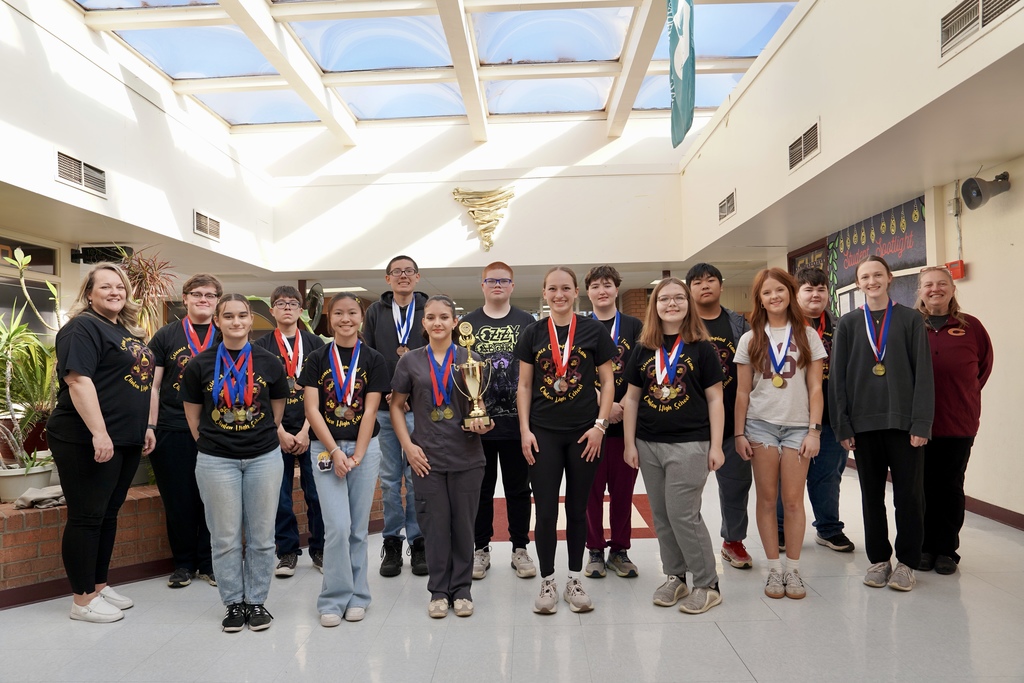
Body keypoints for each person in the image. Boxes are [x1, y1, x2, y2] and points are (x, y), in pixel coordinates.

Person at [46, 263, 156, 623]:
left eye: (120, 286)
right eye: (105, 286)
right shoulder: (82, 327)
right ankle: (82, 600)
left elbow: (138, 383)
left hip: (124, 437)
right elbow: (78, 380)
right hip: (85, 437)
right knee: (87, 517)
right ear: (89, 294)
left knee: (107, 514)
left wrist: (146, 426)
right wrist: (99, 432)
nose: (115, 292)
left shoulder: (124, 330)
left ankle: (98, 585)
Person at [180, 294, 290, 631]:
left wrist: (256, 437)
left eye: (242, 315)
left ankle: (256, 601)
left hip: (263, 458)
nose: (236, 322)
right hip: (216, 461)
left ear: (251, 319)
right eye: (228, 316)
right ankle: (233, 603)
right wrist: (215, 444)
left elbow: (277, 409)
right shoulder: (199, 364)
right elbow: (193, 417)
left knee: (262, 536)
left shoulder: (269, 362)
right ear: (217, 321)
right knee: (225, 537)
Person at [516, 267, 617, 614]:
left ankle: (574, 580)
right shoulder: (532, 333)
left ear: (576, 292)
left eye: (565, 288)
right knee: (545, 511)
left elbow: (607, 382)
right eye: (552, 289)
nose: (559, 295)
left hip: (583, 434)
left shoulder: (593, 330)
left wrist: (600, 425)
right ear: (544, 293)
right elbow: (524, 385)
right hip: (543, 433)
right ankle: (548, 581)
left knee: (577, 509)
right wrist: (525, 430)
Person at [622, 277, 726, 614]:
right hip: (648, 443)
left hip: (690, 443)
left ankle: (707, 584)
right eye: (664, 299)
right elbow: (632, 399)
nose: (671, 304)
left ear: (688, 303)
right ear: (654, 306)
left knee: (683, 514)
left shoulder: (702, 348)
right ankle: (675, 576)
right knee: (662, 516)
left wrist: (716, 445)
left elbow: (715, 399)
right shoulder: (643, 348)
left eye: (679, 298)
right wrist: (629, 444)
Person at [831, 255, 934, 592]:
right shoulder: (848, 324)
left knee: (909, 497)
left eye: (877, 275)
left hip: (904, 425)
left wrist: (921, 423)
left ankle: (907, 563)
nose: (872, 281)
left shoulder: (910, 319)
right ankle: (878, 560)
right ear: (858, 283)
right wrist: (843, 425)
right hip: (863, 426)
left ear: (889, 278)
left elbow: (924, 375)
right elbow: (838, 379)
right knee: (871, 497)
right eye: (865, 277)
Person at [390, 295, 492, 618]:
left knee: (463, 526)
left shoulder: (470, 358)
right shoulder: (410, 362)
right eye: (431, 317)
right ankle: (438, 590)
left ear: (455, 321)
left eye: (444, 317)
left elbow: (479, 403)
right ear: (424, 322)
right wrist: (408, 447)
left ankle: (461, 590)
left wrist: (483, 421)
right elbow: (396, 406)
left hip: (467, 455)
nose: (438, 323)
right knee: (434, 526)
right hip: (426, 457)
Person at [734, 268, 826, 600]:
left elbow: (815, 388)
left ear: (790, 294)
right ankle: (774, 569)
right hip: (760, 425)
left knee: (793, 500)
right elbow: (742, 392)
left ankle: (794, 570)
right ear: (759, 299)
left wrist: (814, 431)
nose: (774, 297)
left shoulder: (807, 335)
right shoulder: (749, 339)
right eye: (767, 292)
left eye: (780, 290)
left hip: (798, 426)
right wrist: (739, 434)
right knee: (767, 498)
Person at [300, 293, 389, 625]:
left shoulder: (374, 359)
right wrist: (336, 452)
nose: (345, 319)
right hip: (325, 449)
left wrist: (358, 455)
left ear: (361, 317)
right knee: (337, 527)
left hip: (365, 448)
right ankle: (333, 598)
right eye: (338, 313)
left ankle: (358, 596)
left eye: (352, 312)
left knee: (357, 528)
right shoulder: (316, 358)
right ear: (329, 318)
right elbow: (312, 409)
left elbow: (370, 410)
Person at [459, 262, 537, 580]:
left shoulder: (527, 322)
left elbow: (535, 372)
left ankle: (520, 548)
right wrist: (471, 412)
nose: (497, 285)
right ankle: (480, 549)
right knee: (481, 490)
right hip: (480, 426)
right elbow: (459, 375)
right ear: (482, 285)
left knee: (519, 490)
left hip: (518, 424)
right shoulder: (467, 324)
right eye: (491, 280)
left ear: (512, 286)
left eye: (504, 281)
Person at [915, 266, 993, 575]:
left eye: (942, 284)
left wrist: (962, 395)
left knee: (950, 487)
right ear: (920, 291)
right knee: (919, 487)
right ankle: (923, 547)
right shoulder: (910, 325)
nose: (935, 289)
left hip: (958, 422)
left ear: (952, 289)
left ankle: (946, 550)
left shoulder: (971, 327)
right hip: (917, 424)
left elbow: (983, 368)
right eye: (928, 284)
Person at [146, 273, 220, 590]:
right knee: (178, 499)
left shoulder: (226, 334)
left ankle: (209, 563)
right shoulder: (166, 335)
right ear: (185, 298)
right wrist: (150, 425)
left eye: (210, 295)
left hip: (217, 431)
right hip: (173, 428)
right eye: (197, 294)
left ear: (217, 301)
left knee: (214, 499)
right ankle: (184, 564)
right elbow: (153, 386)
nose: (203, 299)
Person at [775, 268, 855, 554]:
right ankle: (780, 529)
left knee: (828, 476)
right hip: (792, 416)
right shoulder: (782, 328)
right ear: (796, 295)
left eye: (821, 289)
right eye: (808, 289)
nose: (815, 295)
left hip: (832, 416)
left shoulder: (842, 327)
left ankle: (829, 529)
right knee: (786, 477)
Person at [253, 286, 326, 578]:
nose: (287, 307)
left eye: (293, 303)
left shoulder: (316, 344)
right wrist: (279, 430)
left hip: (313, 429)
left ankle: (320, 549)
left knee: (317, 493)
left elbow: (323, 390)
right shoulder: (260, 346)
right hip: (275, 432)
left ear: (301, 310)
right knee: (279, 496)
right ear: (272, 310)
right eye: (281, 303)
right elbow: (258, 393)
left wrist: (307, 429)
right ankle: (286, 552)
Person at [363, 255, 428, 577]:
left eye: (409, 271)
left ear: (417, 277)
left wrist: (409, 395)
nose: (403, 276)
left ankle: (419, 541)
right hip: (386, 410)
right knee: (390, 480)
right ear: (388, 278)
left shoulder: (427, 309)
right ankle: (391, 541)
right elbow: (369, 357)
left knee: (417, 478)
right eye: (397, 272)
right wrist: (390, 393)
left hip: (420, 410)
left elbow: (434, 358)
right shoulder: (376, 311)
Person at [685, 263, 753, 570]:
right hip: (692, 423)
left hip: (732, 422)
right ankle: (687, 548)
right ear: (690, 290)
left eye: (710, 280)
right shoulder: (681, 324)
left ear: (721, 285)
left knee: (736, 485)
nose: (705, 286)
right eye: (697, 282)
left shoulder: (739, 324)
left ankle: (733, 541)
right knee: (686, 492)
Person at [583, 265, 643, 579]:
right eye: (595, 286)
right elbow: (573, 373)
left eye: (607, 285)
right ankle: (594, 549)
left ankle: (619, 550)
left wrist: (624, 405)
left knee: (623, 493)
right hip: (591, 425)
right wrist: (605, 404)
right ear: (588, 292)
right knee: (590, 493)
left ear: (617, 289)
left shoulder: (635, 326)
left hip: (627, 425)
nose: (602, 291)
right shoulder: (579, 326)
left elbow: (645, 368)